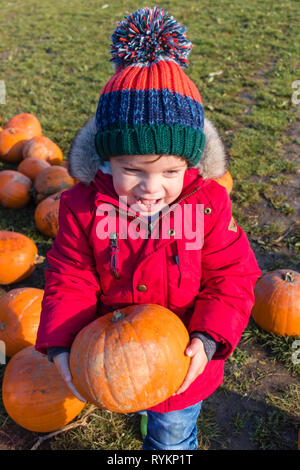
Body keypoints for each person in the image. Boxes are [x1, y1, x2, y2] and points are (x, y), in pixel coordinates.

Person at [35, 7, 261, 450]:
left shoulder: (210, 205)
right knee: (135, 399)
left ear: (190, 163)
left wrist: (210, 337)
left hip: (180, 363)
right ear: (107, 159)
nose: (151, 189)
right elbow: (70, 276)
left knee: (171, 436)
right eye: (133, 169)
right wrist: (62, 344)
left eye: (170, 173)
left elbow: (232, 278)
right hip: (112, 355)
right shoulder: (82, 207)